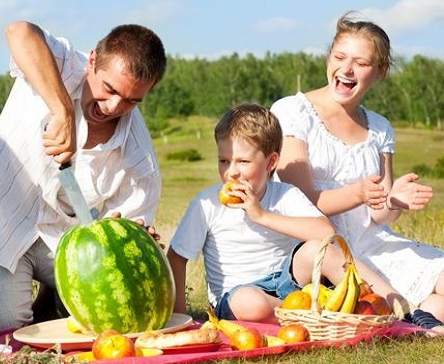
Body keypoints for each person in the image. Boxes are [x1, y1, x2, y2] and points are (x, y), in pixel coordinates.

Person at [0, 21, 167, 334]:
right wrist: (63, 110)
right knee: (2, 328)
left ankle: (53, 294)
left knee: (117, 317)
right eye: (109, 89)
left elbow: (122, 246)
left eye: (132, 101)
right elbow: (19, 31)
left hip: (65, 240)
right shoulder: (64, 63)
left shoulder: (139, 160)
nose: (114, 107)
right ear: (92, 60)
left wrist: (129, 233)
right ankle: (48, 297)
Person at [270, 11, 444, 328]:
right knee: (414, 305)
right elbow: (303, 200)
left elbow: (379, 215)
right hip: (323, 251)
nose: (346, 69)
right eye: (339, 56)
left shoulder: (379, 127)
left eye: (361, 63)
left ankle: (418, 317)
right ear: (329, 57)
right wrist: (359, 193)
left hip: (375, 243)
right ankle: (410, 315)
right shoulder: (292, 112)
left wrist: (392, 202)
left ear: (380, 71)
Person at [167, 103, 411, 324]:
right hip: (238, 295)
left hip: (289, 283)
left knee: (319, 249)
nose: (231, 172)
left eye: (243, 162)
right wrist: (181, 318)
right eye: (223, 161)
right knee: (250, 303)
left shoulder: (285, 194)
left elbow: (325, 232)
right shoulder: (207, 204)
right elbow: (177, 257)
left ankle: (385, 304)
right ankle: (319, 313)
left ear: (271, 162)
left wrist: (261, 215)